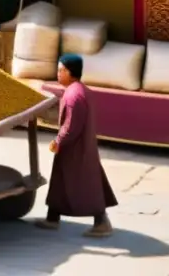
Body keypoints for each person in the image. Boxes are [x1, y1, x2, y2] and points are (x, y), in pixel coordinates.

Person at [36, 53, 117, 238]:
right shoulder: (81, 90)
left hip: (75, 150)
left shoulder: (73, 96)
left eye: (61, 70)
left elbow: (71, 126)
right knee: (61, 182)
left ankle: (101, 221)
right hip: (82, 147)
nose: (58, 74)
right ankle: (52, 218)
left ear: (71, 72)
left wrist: (58, 141)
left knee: (85, 184)